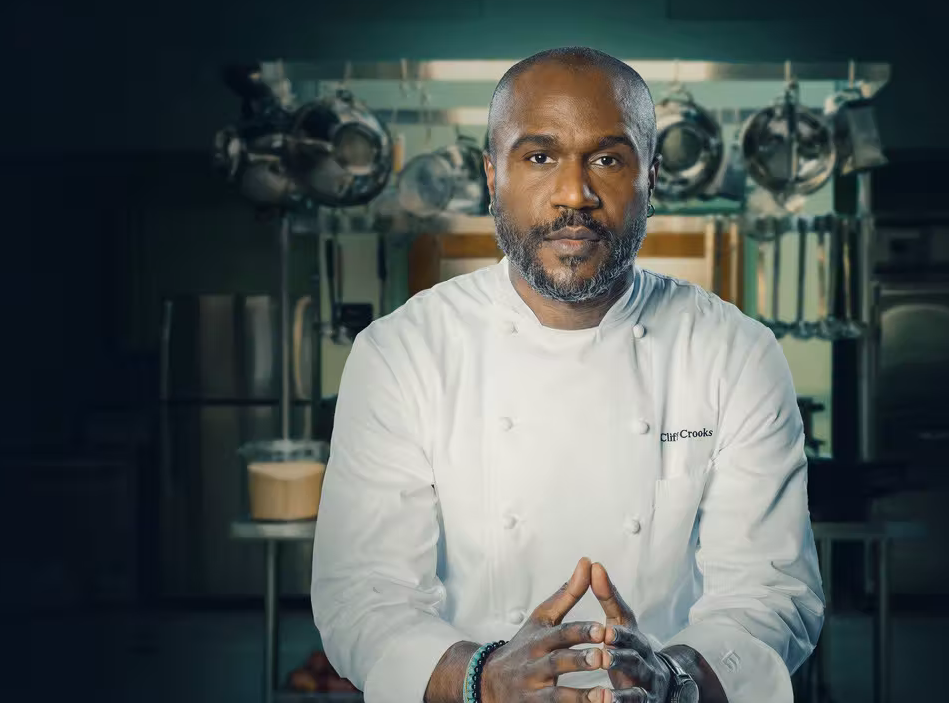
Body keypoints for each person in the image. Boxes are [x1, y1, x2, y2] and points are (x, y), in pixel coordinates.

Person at [311, 47, 823, 703]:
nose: (574, 194)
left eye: (607, 159)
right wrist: (483, 679)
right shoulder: (403, 353)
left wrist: (673, 679)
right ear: (492, 174)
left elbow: (771, 591)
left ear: (651, 178)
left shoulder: (734, 352)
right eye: (539, 157)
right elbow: (364, 594)